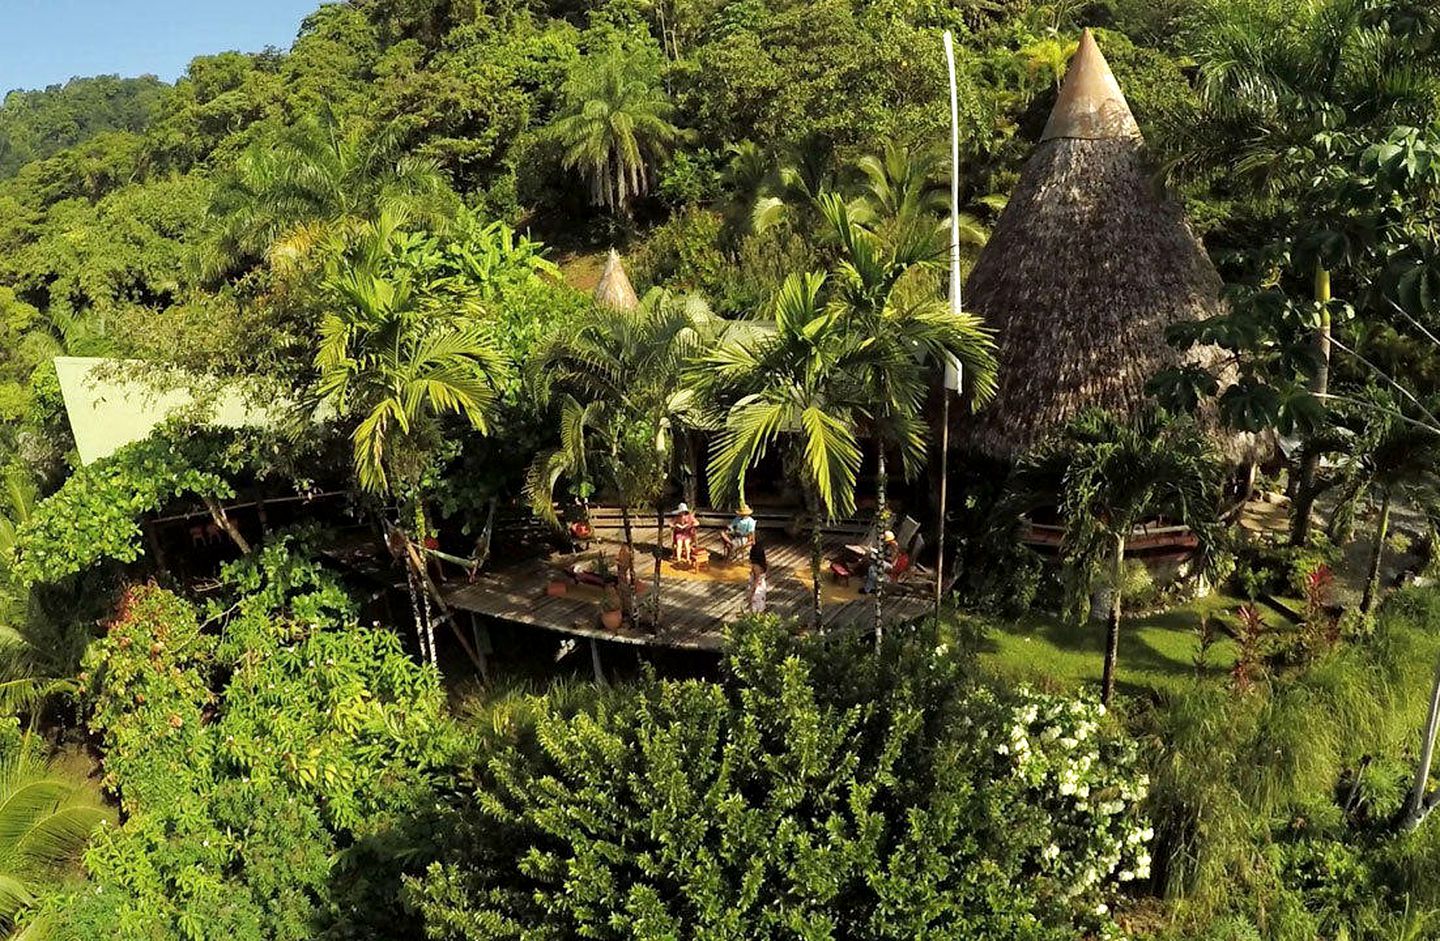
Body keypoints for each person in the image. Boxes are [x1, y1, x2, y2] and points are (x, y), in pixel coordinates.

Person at [861, 530, 899, 594]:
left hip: (889, 564)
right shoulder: (889, 545)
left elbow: (891, 559)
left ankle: (870, 588)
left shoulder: (893, 547)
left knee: (872, 569)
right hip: (885, 562)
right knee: (871, 566)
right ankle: (870, 588)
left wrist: (880, 556)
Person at [747, 542, 769, 613]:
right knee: (760, 606)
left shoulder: (756, 566)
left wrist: (752, 593)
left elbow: (756, 580)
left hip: (757, 588)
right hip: (762, 586)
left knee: (755, 607)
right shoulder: (763, 564)